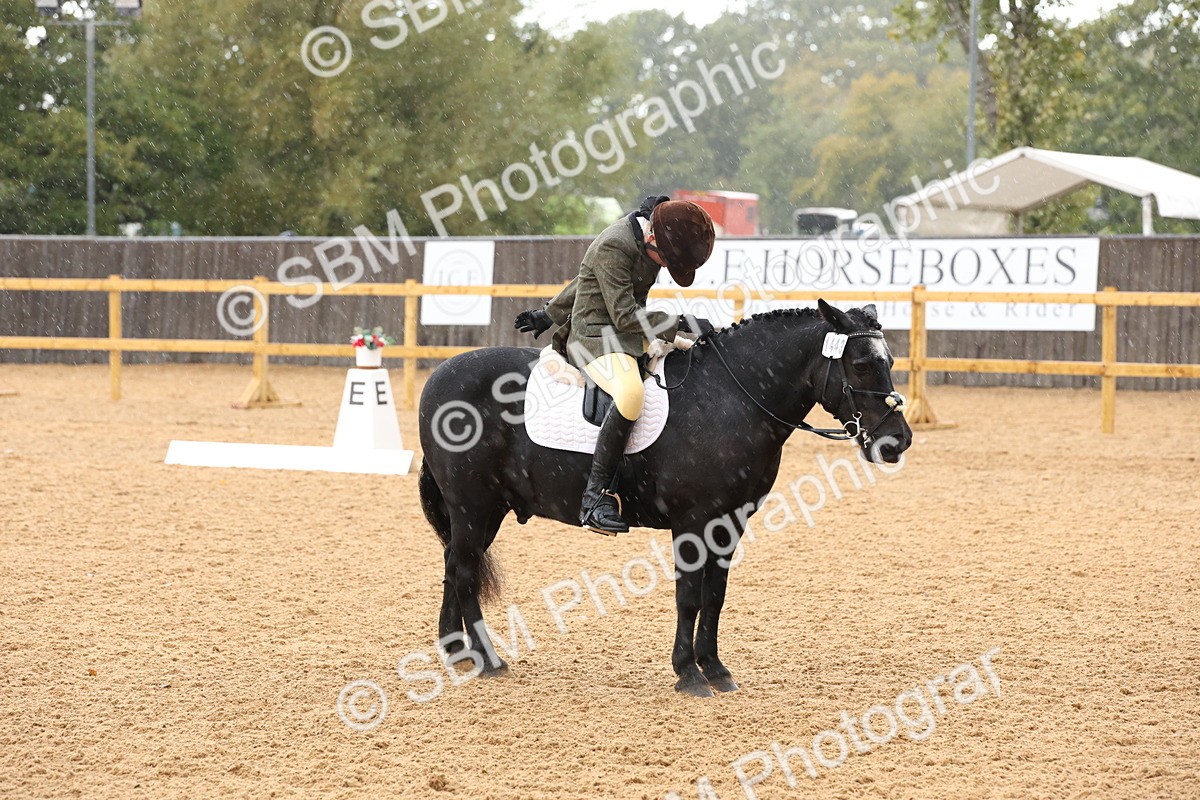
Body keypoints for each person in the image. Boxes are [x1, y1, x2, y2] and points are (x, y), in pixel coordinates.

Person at [514, 196, 716, 535]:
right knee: (630, 393)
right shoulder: (615, 244)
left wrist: (548, 311)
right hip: (596, 338)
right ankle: (594, 499)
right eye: (665, 261)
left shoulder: (653, 235)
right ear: (652, 238)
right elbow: (622, 311)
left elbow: (586, 278)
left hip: (629, 334)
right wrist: (680, 322)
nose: (664, 268)